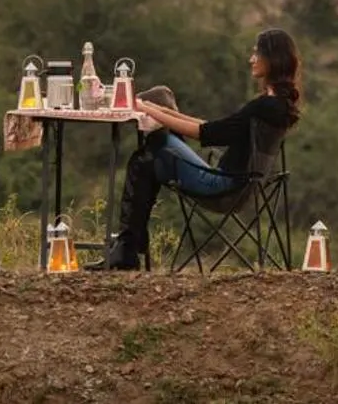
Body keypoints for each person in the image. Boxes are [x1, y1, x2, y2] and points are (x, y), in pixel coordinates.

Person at [99, 27, 303, 271]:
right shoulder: (278, 106)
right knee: (160, 105)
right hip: (238, 186)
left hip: (221, 187)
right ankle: (127, 248)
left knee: (149, 153)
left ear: (272, 58)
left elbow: (205, 133)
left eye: (256, 54)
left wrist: (147, 109)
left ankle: (127, 249)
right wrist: (159, 110)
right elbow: (210, 128)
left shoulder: (263, 107)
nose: (251, 59)